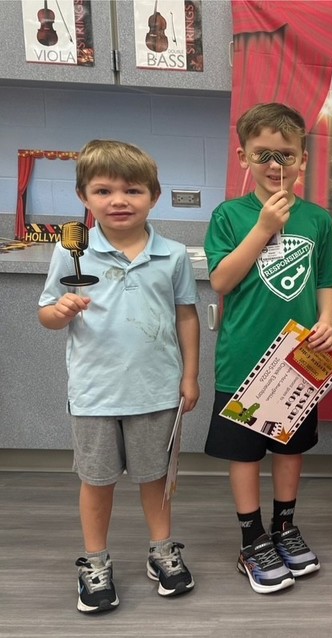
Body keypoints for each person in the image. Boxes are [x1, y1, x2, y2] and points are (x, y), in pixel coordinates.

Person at [38, 139, 200, 613]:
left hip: (156, 391)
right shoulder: (73, 254)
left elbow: (186, 317)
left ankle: (162, 550)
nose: (118, 201)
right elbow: (46, 314)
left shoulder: (171, 256)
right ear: (83, 197)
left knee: (156, 479)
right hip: (95, 394)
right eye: (103, 190)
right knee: (97, 480)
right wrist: (61, 311)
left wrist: (191, 376)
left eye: (132, 190)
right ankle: (95, 561)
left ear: (154, 195)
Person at [203, 103, 332, 594]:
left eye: (286, 154)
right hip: (242, 358)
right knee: (246, 453)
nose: (275, 165)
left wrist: (326, 318)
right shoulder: (230, 215)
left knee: (290, 447)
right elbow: (221, 278)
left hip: (299, 360)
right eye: (263, 154)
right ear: (243, 157)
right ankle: (251, 537)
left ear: (303, 159)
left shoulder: (318, 220)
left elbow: (325, 279)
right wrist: (262, 228)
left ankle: (284, 526)